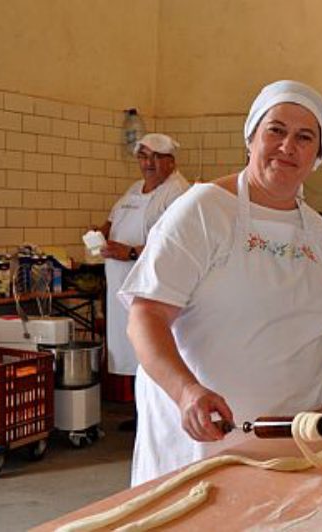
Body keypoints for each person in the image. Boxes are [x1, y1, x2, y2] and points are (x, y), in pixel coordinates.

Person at [119, 80, 322, 486]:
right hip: (209, 433)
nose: (287, 146)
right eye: (275, 130)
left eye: (304, 137)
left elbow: (316, 322)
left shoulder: (315, 228)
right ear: (251, 137)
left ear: (318, 155)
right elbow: (145, 316)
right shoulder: (203, 210)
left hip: (295, 433)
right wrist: (186, 392)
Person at [97, 133, 189, 429]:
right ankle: (141, 415)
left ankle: (158, 418)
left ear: (171, 161)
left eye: (156, 157)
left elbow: (176, 244)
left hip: (152, 289)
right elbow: (111, 223)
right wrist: (100, 234)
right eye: (143, 156)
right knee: (132, 350)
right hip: (122, 285)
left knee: (153, 346)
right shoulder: (134, 189)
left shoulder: (178, 192)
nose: (148, 163)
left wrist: (131, 251)